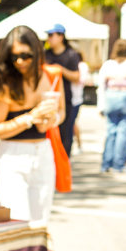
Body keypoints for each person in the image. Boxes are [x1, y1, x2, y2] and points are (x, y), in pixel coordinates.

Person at [0, 25, 64, 224]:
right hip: (12, 157)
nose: (20, 61)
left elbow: (62, 111)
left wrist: (52, 120)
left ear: (37, 51)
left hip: (43, 153)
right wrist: (30, 117)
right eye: (14, 57)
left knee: (40, 224)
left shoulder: (51, 75)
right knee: (17, 224)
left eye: (26, 56)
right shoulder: (4, 81)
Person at [97, 39, 126, 173]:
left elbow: (101, 85)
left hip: (111, 97)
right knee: (125, 132)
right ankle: (118, 165)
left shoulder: (108, 64)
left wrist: (101, 105)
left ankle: (106, 164)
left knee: (111, 131)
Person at [45, 24, 81, 157]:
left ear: (61, 37)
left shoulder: (71, 54)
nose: (48, 38)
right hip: (47, 99)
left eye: (51, 35)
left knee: (65, 133)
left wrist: (60, 70)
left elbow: (77, 77)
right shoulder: (45, 54)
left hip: (65, 100)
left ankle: (65, 160)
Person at [72, 51, 91, 154]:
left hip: (75, 99)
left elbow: (80, 80)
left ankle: (79, 145)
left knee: (72, 123)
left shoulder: (82, 66)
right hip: (72, 98)